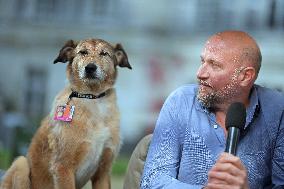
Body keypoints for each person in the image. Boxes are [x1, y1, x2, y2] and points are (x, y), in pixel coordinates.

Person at [140, 30, 284, 189]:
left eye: (214, 65)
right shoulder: (180, 102)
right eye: (202, 61)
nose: (200, 73)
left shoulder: (277, 111)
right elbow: (152, 181)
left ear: (245, 76)